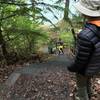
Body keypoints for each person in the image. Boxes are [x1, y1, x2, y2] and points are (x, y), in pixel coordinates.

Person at [67, 0, 100, 100]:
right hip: (95, 67)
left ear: (85, 12)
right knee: (88, 81)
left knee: (81, 87)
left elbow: (80, 61)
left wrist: (71, 68)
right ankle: (90, 95)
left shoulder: (84, 35)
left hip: (84, 69)